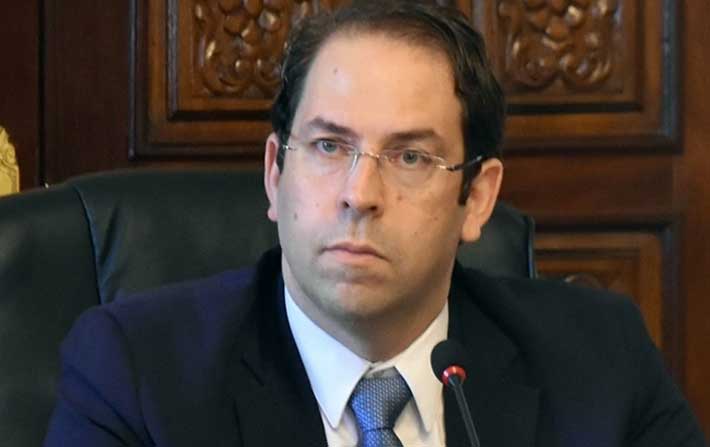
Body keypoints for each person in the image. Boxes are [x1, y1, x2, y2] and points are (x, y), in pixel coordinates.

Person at [44, 1, 705, 446]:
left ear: (477, 198)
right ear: (275, 173)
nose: (359, 194)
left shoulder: (600, 362)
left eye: (411, 156)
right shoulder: (136, 376)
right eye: (329, 146)